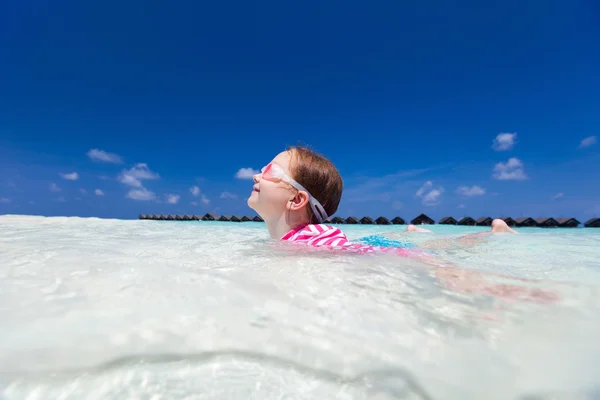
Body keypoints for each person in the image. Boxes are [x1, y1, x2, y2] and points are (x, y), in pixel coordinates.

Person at [247, 145, 558, 303]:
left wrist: (457, 276)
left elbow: (389, 257)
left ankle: (492, 232)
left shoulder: (306, 240)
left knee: (441, 248)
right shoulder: (303, 238)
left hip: (380, 249)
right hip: (373, 243)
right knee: (417, 241)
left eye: (270, 171)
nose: (256, 176)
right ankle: (415, 230)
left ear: (297, 200)